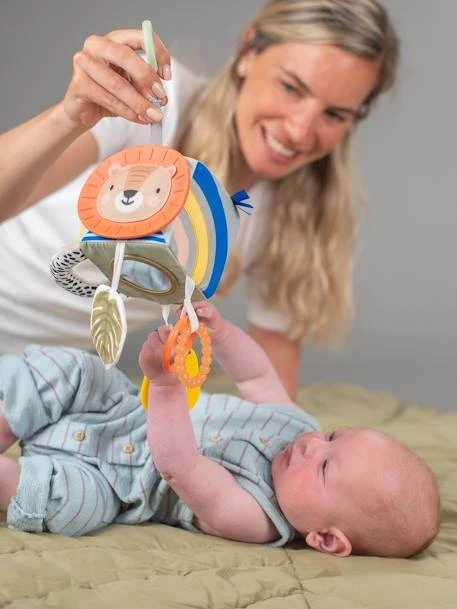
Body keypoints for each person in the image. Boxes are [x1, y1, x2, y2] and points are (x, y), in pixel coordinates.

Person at [0, 0, 400, 397]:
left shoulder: (290, 218)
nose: (299, 131)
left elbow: (273, 389)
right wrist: (68, 117)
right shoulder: (154, 104)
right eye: (291, 87)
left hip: (27, 377)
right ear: (248, 52)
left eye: (335, 115)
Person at [0, 301, 440, 558]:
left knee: (65, 504)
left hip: (113, 482)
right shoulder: (298, 426)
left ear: (325, 538)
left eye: (325, 469)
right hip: (123, 411)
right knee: (79, 370)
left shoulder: (256, 519)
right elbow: (257, 378)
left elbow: (179, 466)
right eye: (332, 437)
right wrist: (223, 333)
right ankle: (9, 421)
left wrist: (166, 384)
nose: (311, 445)